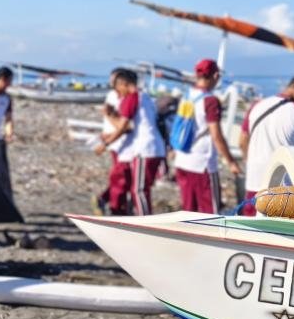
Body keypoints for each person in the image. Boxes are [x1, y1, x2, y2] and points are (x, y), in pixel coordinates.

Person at [239, 74, 294, 216]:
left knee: (248, 224)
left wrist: (249, 162)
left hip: (254, 179)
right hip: (283, 188)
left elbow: (243, 140)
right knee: (275, 228)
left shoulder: (257, 106)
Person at [173, 59, 241, 213]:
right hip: (202, 163)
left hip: (182, 160)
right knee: (210, 214)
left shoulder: (187, 96)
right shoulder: (210, 101)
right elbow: (216, 135)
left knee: (188, 211)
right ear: (216, 76)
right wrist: (231, 162)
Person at [96, 69, 166, 215]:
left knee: (138, 189)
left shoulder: (132, 98)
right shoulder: (146, 97)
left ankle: (144, 220)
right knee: (138, 187)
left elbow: (123, 127)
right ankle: (137, 215)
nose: (118, 92)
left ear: (124, 84)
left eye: (117, 87)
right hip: (154, 147)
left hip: (144, 149)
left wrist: (105, 143)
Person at [92, 68, 132, 215]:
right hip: (118, 141)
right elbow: (116, 121)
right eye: (113, 81)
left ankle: (114, 203)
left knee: (126, 177)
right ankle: (112, 204)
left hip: (121, 140)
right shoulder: (114, 96)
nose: (114, 84)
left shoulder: (126, 96)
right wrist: (107, 137)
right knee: (122, 177)